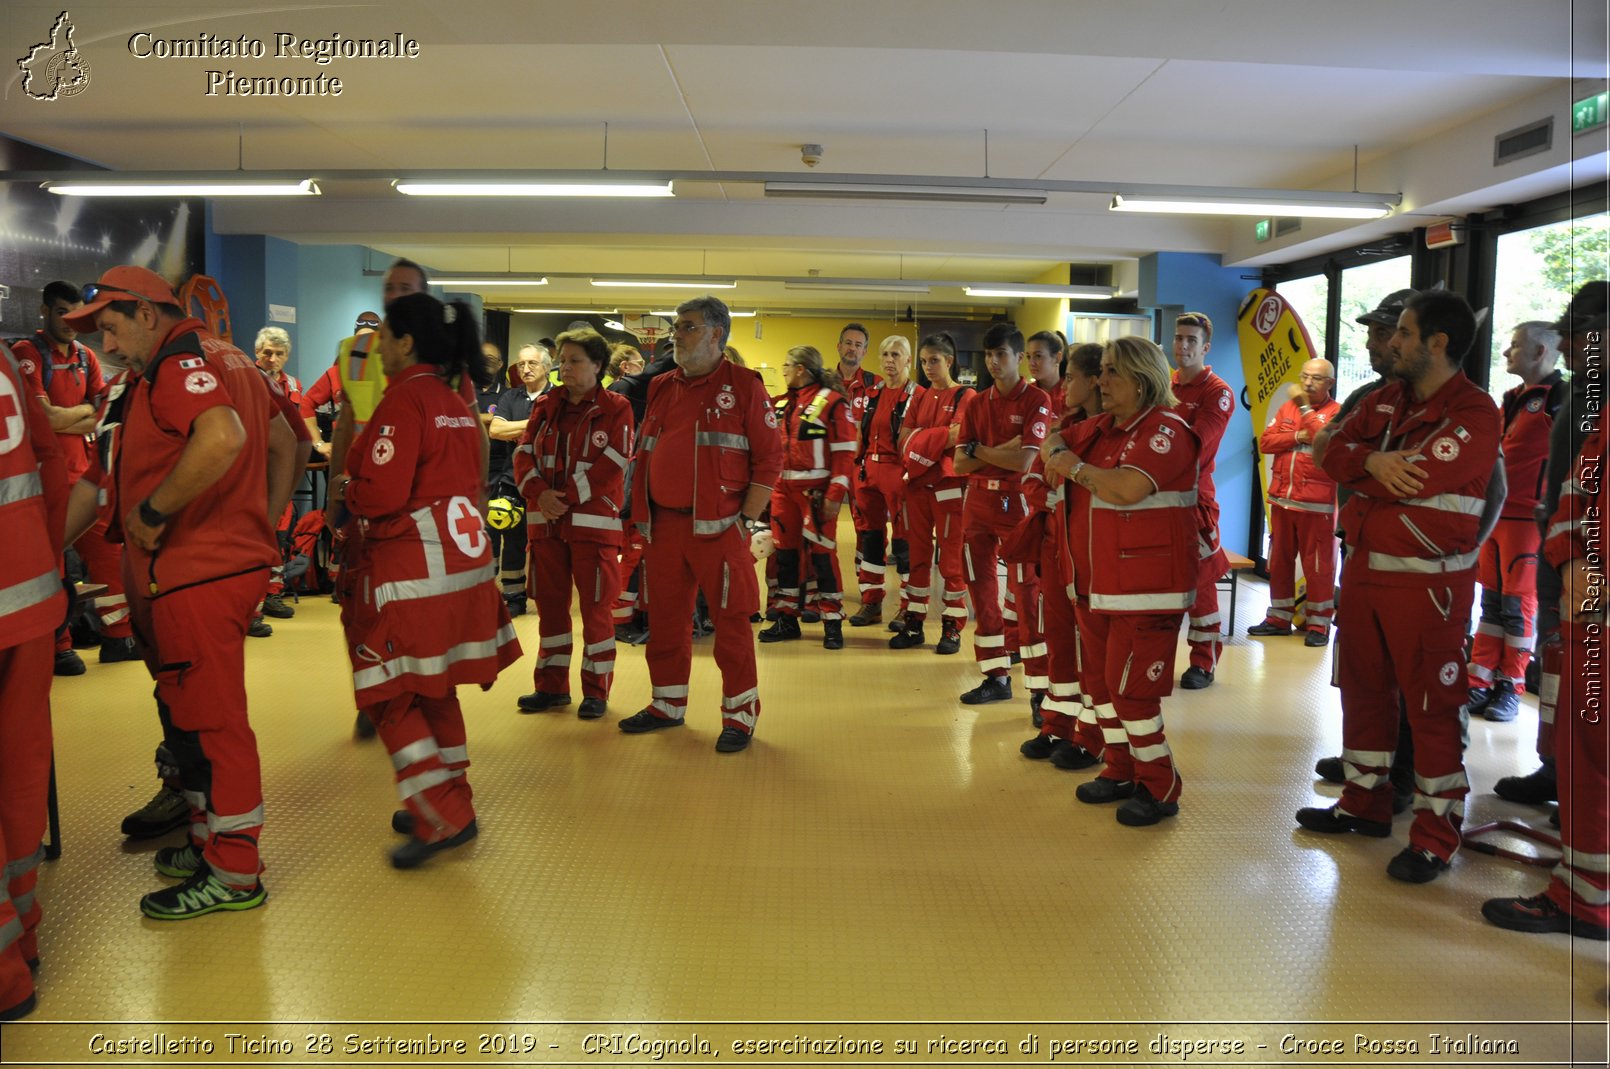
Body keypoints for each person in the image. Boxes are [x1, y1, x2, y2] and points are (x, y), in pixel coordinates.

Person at [63, 265, 296, 918]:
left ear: (146, 312)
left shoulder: (179, 364)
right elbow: (284, 444)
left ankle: (235, 869)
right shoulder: (224, 364)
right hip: (206, 569)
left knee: (215, 723)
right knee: (193, 713)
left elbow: (224, 437)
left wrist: (155, 513)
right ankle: (208, 840)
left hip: (198, 571)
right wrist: (264, 532)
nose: (105, 346)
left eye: (110, 328)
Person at [1298, 290, 1500, 884]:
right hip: (1362, 576)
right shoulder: (1385, 398)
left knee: (1433, 712)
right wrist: (1374, 463)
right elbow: (1325, 451)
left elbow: (1419, 476)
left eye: (1405, 334)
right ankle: (1363, 804)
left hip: (1428, 589)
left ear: (1438, 343)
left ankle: (1436, 836)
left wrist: (1370, 468)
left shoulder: (1475, 412)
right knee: (1363, 693)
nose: (1393, 342)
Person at [338, 293, 521, 867]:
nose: (378, 347)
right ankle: (446, 793)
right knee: (433, 687)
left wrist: (349, 492)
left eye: (385, 336)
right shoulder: (455, 401)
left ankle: (442, 816)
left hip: (408, 575)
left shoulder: (403, 403)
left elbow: (382, 493)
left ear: (406, 341)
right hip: (458, 569)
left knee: (387, 694)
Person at [1046, 337, 1199, 825]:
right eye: (1102, 371)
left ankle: (1160, 785)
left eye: (1112, 372)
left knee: (1132, 692)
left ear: (1142, 378)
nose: (1101, 381)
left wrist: (1069, 465)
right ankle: (1119, 768)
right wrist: (1058, 452)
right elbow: (1054, 438)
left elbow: (1125, 488)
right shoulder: (1107, 429)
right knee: (1101, 687)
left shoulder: (1166, 432)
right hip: (1096, 585)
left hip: (1145, 590)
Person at [622, 295, 783, 752]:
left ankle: (739, 717)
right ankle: (667, 706)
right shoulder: (662, 386)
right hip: (664, 528)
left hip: (720, 529)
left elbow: (770, 460)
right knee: (666, 622)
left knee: (731, 626)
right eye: (677, 326)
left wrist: (745, 521)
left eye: (687, 327)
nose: (677, 334)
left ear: (716, 334)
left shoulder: (746, 387)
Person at [1480, 417, 1606, 938]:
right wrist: (1572, 559)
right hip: (1591, 622)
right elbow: (1572, 499)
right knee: (1586, 761)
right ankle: (1582, 897)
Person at [1498, 281, 1609, 807]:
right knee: (1557, 666)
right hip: (1557, 547)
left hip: (1594, 566)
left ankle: (1587, 793)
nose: (1565, 346)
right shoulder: (1583, 392)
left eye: (1578, 333)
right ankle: (1557, 770)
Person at [13, 281, 134, 674]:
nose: (69, 321)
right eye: (62, 312)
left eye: (75, 312)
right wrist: (80, 414)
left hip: (85, 476)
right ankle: (57, 646)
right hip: (44, 481)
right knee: (53, 565)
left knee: (109, 555)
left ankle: (118, 638)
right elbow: (43, 423)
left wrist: (75, 415)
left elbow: (103, 412)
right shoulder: (26, 354)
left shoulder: (85, 356)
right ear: (45, 310)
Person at [513, 329, 633, 718]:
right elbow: (523, 452)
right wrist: (539, 494)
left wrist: (564, 496)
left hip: (592, 525)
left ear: (598, 366)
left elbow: (615, 461)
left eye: (575, 360)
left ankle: (596, 692)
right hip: (546, 524)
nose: (565, 366)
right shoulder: (546, 404)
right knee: (550, 607)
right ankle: (551, 687)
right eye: (562, 359)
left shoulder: (617, 407)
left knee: (597, 610)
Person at [0, 339, 68, 1020]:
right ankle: (22, 931)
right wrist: (43, 561)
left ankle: (4, 977)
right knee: (20, 770)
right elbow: (50, 458)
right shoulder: (7, 360)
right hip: (27, 594)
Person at [1465, 321, 1564, 723]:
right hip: (1495, 516)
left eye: (1515, 345)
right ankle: (1480, 680)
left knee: (1517, 607)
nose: (1507, 352)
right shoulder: (1511, 398)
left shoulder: (1561, 399)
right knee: (1490, 601)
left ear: (1540, 352)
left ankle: (1511, 685)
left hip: (1528, 519)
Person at [952, 324, 1053, 705]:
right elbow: (960, 463)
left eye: (1002, 355)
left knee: (1027, 593)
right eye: (990, 355)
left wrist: (981, 449)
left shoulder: (1037, 400)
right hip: (977, 501)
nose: (994, 362)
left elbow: (1025, 459)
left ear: (1019, 358)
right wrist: (996, 451)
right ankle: (994, 675)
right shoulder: (977, 402)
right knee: (980, 588)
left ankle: (1040, 688)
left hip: (1018, 502)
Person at [1023, 342, 1104, 769]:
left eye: (1070, 376)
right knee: (1056, 637)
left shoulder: (1112, 432)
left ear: (1095, 380)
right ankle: (1057, 723)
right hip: (1056, 545)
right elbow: (1034, 479)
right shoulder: (1064, 426)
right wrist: (1053, 495)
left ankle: (1091, 736)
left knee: (1090, 646)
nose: (1064, 384)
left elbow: (1100, 489)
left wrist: (1063, 486)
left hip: (1091, 551)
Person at [759, 345, 855, 649]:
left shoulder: (832, 403)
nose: (783, 370)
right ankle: (787, 618)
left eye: (786, 365)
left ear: (800, 368)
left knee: (823, 558)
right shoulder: (782, 404)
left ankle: (832, 620)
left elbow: (845, 454)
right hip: (782, 493)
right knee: (785, 557)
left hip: (815, 493)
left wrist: (835, 494)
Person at [1250, 358, 1341, 646]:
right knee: (1279, 563)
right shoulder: (1286, 407)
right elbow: (1265, 442)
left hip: (1317, 507)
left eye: (1315, 378)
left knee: (1319, 568)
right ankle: (1279, 618)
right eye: (1304, 377)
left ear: (1330, 383)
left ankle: (1318, 626)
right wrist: (1296, 435)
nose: (1308, 383)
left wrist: (1304, 413)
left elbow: (1320, 438)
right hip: (1281, 502)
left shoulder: (1337, 413)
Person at [892, 333, 972, 653]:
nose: (928, 367)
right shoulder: (920, 396)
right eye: (924, 361)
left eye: (934, 361)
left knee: (951, 561)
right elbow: (904, 441)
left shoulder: (966, 396)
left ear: (949, 361)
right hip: (916, 488)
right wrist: (937, 439)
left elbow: (959, 436)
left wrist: (924, 439)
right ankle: (914, 622)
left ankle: (952, 626)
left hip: (949, 487)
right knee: (918, 558)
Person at [1168, 312, 1234, 689]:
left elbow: (1195, 445)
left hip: (1195, 500)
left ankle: (1203, 662)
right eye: (1179, 338)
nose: (1183, 346)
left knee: (1201, 583)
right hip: (1156, 496)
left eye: (1191, 340)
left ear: (1205, 347)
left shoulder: (1217, 392)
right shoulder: (1164, 384)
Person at [1009, 330, 1066, 717]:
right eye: (1027, 356)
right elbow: (1023, 458)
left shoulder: (1079, 402)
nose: (1032, 363)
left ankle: (1065, 695)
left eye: (1039, 356)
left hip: (1070, 524)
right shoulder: (1028, 399)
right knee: (1028, 602)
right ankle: (1037, 692)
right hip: (1034, 515)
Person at [853, 336, 921, 631]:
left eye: (896, 354)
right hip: (869, 471)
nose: (889, 360)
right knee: (870, 539)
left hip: (899, 473)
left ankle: (908, 607)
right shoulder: (873, 392)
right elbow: (860, 431)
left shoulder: (917, 395)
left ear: (908, 360)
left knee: (904, 541)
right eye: (885, 354)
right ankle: (872, 601)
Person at [487, 344, 551, 613]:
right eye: (521, 364)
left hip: (548, 482)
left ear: (547, 367)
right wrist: (534, 423)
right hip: (513, 479)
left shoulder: (557, 397)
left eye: (532, 364)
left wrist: (516, 429)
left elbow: (555, 432)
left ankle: (549, 596)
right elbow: (496, 430)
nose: (525, 369)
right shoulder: (511, 397)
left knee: (547, 543)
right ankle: (514, 598)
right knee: (511, 539)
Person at [833, 323, 885, 625]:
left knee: (867, 531)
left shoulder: (876, 384)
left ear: (864, 351)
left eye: (858, 345)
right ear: (839, 346)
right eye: (848, 343)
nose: (852, 348)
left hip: (862, 468)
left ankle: (869, 594)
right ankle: (820, 592)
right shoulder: (823, 381)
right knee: (818, 527)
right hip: (828, 466)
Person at [254, 326, 303, 621]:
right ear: (257, 353)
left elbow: (296, 426)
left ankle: (273, 592)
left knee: (280, 533)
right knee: (257, 532)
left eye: (279, 354)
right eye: (267, 353)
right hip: (253, 469)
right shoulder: (245, 379)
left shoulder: (294, 386)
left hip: (281, 468)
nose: (272, 359)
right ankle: (252, 598)